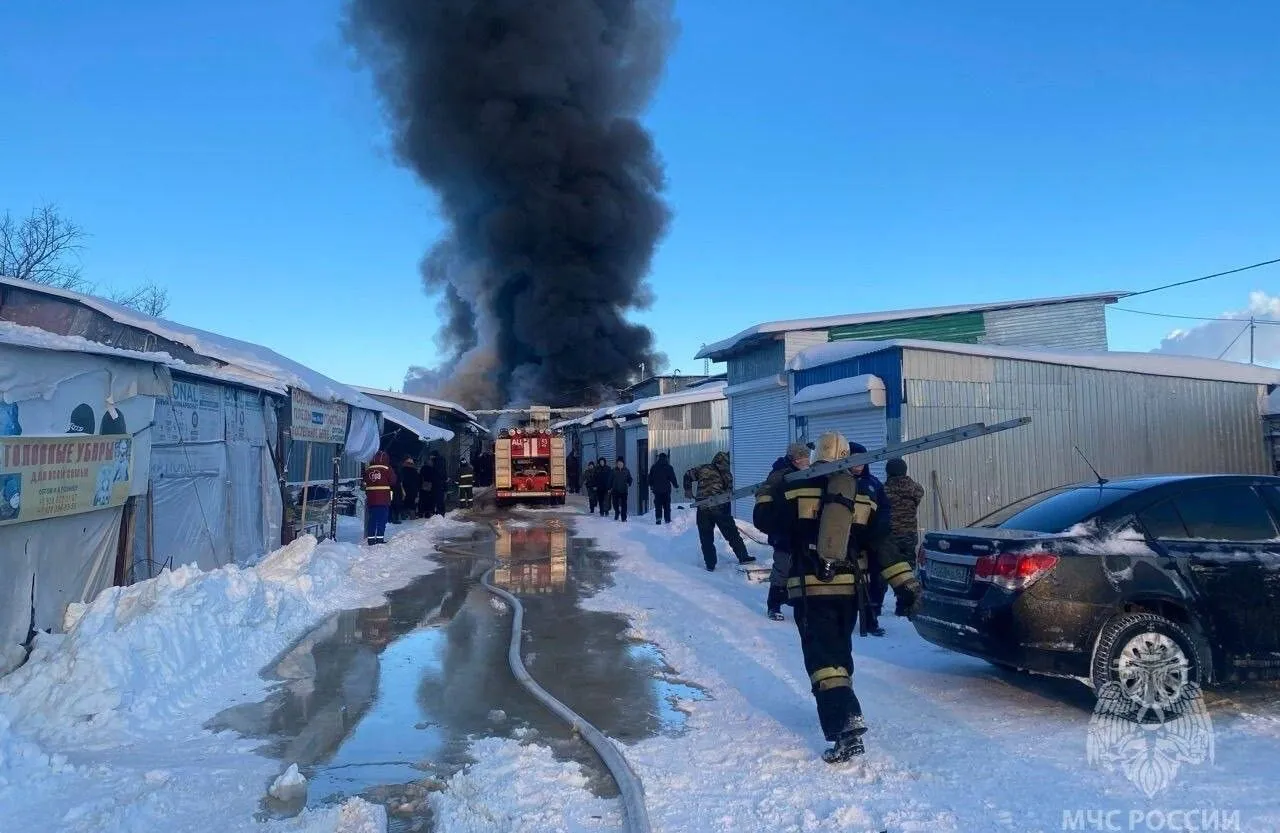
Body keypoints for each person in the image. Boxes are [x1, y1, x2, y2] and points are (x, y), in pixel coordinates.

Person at [782, 432, 922, 763]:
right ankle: (841, 705)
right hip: (848, 590)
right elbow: (883, 545)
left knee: (822, 661)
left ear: (816, 456)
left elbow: (765, 521)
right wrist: (906, 586)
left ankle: (846, 724)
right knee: (839, 655)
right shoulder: (864, 496)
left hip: (810, 588)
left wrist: (775, 487)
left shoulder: (794, 488)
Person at [754, 441, 812, 622]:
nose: (806, 461)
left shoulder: (799, 474)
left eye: (807, 458)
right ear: (794, 459)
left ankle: (794, 600)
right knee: (782, 568)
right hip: (783, 531)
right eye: (803, 458)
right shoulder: (780, 476)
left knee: (799, 567)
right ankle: (774, 605)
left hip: (798, 529)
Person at [684, 451, 756, 571]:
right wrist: (727, 515)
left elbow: (687, 474)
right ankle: (743, 557)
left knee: (706, 537)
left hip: (703, 508)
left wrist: (688, 489)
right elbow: (729, 496)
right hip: (720, 508)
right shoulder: (727, 475)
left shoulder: (703, 468)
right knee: (732, 534)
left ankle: (710, 564)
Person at [884, 458, 925, 616]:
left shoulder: (885, 489)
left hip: (890, 535)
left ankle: (878, 603)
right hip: (908, 534)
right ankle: (905, 604)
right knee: (908, 571)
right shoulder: (915, 488)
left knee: (891, 571)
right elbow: (919, 495)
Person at [361, 450, 397, 545]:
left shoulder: (368, 469)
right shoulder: (387, 468)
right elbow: (393, 481)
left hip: (371, 499)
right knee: (382, 519)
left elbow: (364, 483)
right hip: (384, 498)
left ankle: (371, 540)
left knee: (372, 519)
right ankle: (380, 539)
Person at [648, 452, 678, 525]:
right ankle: (667, 520)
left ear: (659, 458)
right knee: (667, 506)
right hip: (666, 490)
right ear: (666, 458)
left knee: (658, 506)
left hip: (657, 490)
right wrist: (676, 485)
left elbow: (649, 478)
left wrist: (651, 486)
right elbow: (672, 478)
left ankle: (658, 519)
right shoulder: (669, 467)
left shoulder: (654, 467)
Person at [399, 456, 422, 521]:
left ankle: (403, 517)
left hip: (404, 490)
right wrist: (417, 489)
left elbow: (400, 480)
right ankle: (412, 517)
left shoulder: (402, 470)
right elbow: (419, 481)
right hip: (413, 491)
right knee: (412, 504)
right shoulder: (415, 472)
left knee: (403, 503)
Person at [610, 456, 633, 521]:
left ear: (623, 463)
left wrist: (629, 483)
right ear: (616, 464)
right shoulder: (613, 470)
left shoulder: (626, 470)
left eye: (621, 463)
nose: (620, 464)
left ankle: (623, 518)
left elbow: (630, 478)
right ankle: (617, 512)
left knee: (624, 505)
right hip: (615, 490)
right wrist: (609, 488)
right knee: (615, 504)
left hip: (624, 490)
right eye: (618, 463)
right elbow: (610, 479)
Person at [429, 451, 448, 516]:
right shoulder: (441, 460)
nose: (430, 457)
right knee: (440, 498)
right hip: (441, 483)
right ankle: (440, 511)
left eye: (430, 455)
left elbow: (437, 473)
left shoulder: (437, 462)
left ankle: (440, 512)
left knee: (438, 498)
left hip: (438, 483)